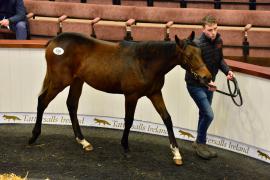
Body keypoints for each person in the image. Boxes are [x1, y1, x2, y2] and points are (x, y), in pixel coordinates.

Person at [185, 15, 234, 159]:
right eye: (210, 30)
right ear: (203, 29)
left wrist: (227, 71)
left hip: (209, 85)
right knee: (208, 114)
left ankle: (199, 142)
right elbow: (190, 69)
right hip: (195, 85)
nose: (213, 32)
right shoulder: (196, 44)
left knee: (203, 114)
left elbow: (220, 60)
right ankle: (201, 143)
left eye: (215, 29)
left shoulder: (219, 40)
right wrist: (206, 82)